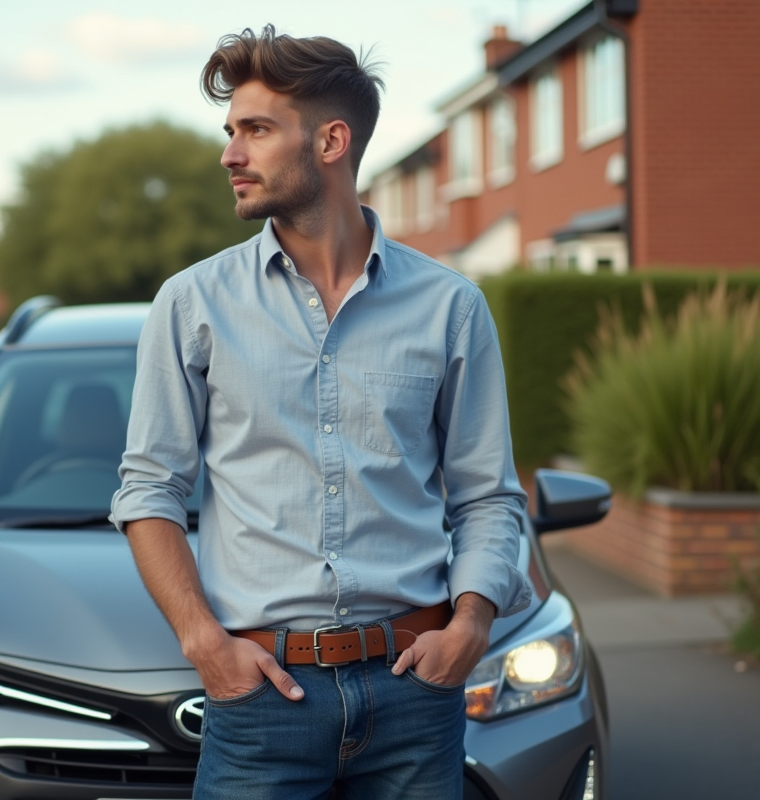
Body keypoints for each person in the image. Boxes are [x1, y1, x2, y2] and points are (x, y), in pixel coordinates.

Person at [111, 24, 532, 800]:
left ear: (331, 141)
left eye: (256, 130)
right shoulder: (192, 304)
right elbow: (149, 490)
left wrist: (471, 628)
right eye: (230, 131)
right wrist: (204, 644)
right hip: (261, 703)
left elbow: (487, 495)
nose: (230, 154)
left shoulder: (451, 306)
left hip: (416, 693)